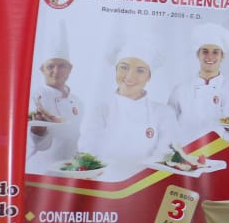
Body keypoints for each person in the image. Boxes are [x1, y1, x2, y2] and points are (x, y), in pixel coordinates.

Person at [79, 41, 178, 173]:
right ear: (115, 70)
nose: (130, 76)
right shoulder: (99, 109)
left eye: (140, 70)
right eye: (124, 67)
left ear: (149, 76)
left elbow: (166, 153)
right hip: (103, 181)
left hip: (146, 183)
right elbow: (88, 150)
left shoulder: (164, 113)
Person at [26, 23, 84, 172]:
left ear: (70, 69)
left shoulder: (78, 101)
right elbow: (37, 145)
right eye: (50, 66)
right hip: (40, 172)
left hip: (70, 172)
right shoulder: (34, 97)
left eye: (62, 66)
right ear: (42, 69)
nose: (56, 71)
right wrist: (39, 132)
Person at [168, 23, 229, 141]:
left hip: (221, 153)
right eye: (205, 51)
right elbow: (168, 124)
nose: (210, 56)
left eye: (215, 52)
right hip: (184, 152)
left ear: (222, 56)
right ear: (197, 54)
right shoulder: (181, 90)